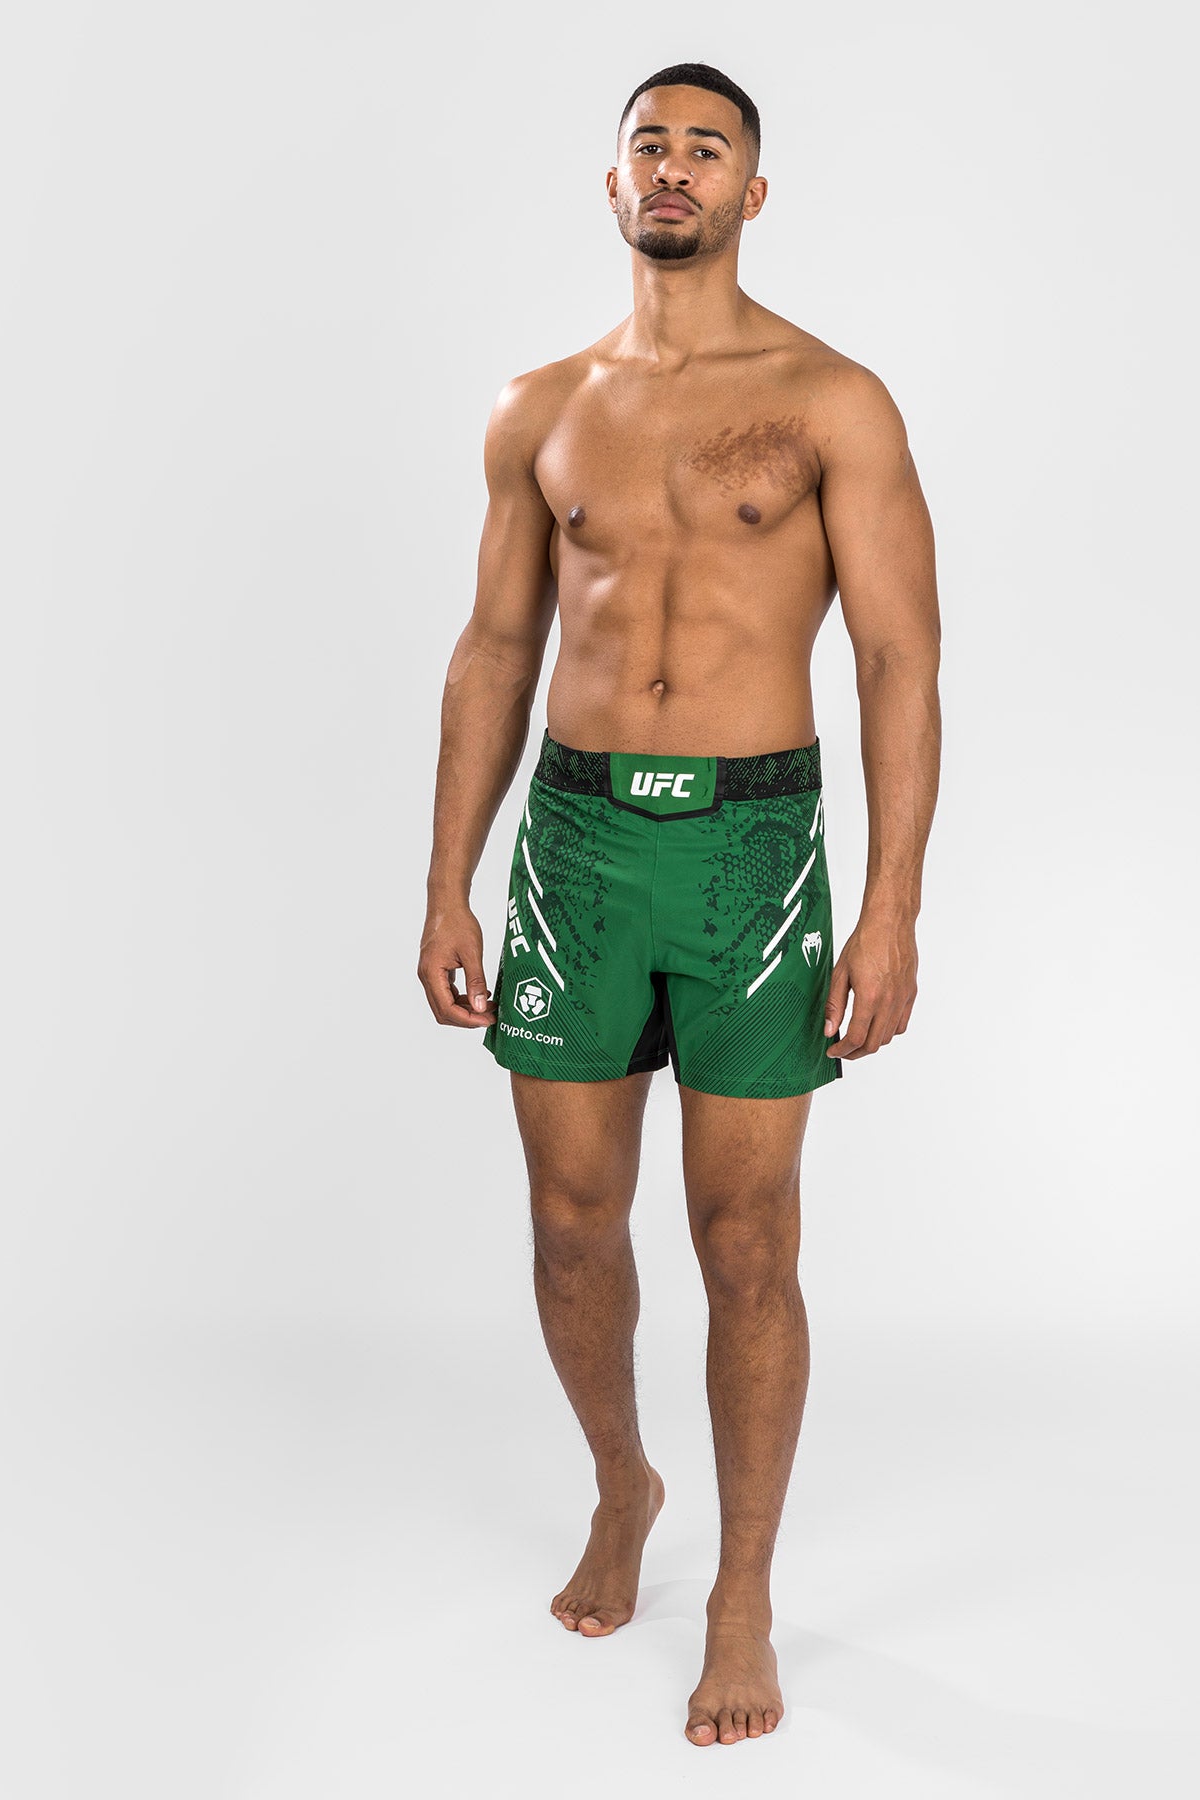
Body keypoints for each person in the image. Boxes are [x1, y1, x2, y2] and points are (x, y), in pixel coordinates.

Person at [418, 61, 940, 1748]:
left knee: (746, 1238)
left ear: (751, 193)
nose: (674, 167)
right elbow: (497, 646)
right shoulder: (541, 408)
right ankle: (622, 1485)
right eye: (649, 143)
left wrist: (891, 907)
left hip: (751, 850)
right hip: (573, 846)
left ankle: (742, 1593)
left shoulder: (832, 400)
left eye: (707, 149)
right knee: (574, 1221)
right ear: (613, 181)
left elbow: (898, 659)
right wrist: (447, 882)